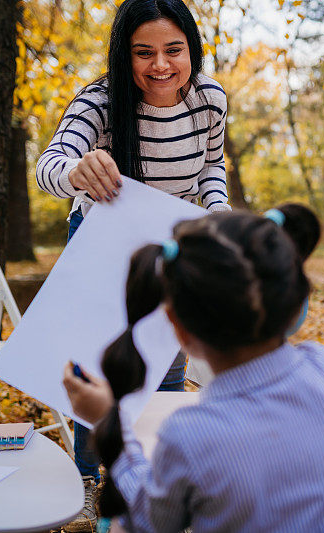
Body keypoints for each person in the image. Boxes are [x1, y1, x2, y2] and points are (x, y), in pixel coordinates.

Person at [36, 1, 230, 529]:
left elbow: (212, 166)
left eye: (174, 50)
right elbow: (48, 167)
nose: (160, 65)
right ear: (125, 55)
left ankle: (157, 480)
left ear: (192, 49)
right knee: (99, 362)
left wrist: (216, 211)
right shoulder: (98, 101)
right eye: (144, 53)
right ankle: (89, 482)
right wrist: (78, 170)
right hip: (102, 239)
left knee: (165, 357)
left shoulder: (210, 99)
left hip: (172, 241)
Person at [62, 205, 324, 533]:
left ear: (180, 331)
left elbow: (147, 520)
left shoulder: (189, 437)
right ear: (295, 301)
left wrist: (111, 423)